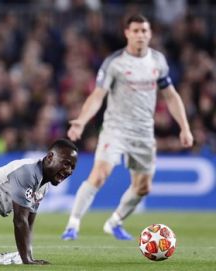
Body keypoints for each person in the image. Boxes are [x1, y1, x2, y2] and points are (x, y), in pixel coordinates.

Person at [60, 14, 193, 241]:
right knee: (100, 174)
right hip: (116, 129)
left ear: (150, 34)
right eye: (136, 31)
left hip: (143, 133)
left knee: (143, 188)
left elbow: (171, 96)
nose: (140, 35)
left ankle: (114, 222)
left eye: (144, 31)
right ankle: (72, 225)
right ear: (127, 33)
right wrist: (81, 121)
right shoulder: (115, 63)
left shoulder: (158, 62)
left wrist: (185, 127)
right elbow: (97, 95)